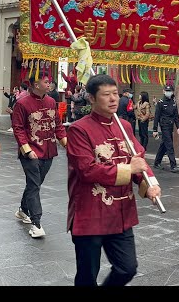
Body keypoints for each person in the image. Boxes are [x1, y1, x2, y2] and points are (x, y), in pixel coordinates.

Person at [66, 74, 161, 286]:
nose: (113, 100)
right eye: (106, 95)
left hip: (121, 213)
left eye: (115, 94)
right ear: (91, 98)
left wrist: (151, 184)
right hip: (90, 213)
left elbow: (139, 161)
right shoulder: (79, 129)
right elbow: (87, 170)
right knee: (87, 275)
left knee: (127, 268)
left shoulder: (125, 127)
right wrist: (130, 168)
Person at [12, 74, 67, 238]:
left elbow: (57, 124)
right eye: (46, 82)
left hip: (48, 150)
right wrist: (27, 150)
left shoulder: (51, 101)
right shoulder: (22, 103)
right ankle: (36, 223)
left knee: (34, 184)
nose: (49, 84)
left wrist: (67, 144)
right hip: (30, 152)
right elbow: (18, 128)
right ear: (36, 84)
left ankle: (23, 210)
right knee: (35, 184)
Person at [152, 84, 179, 173]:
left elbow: (176, 115)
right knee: (169, 145)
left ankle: (157, 162)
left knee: (164, 145)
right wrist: (154, 129)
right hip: (164, 126)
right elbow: (156, 117)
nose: (168, 92)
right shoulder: (160, 103)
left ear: (172, 92)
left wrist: (178, 127)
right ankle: (173, 165)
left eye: (170, 91)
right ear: (163, 91)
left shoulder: (173, 102)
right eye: (167, 91)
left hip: (170, 126)